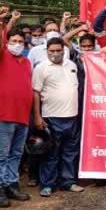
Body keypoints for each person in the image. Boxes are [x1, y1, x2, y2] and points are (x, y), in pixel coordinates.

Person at [0, 7, 34, 207]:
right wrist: (0, 21)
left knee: (16, 153)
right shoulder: (1, 57)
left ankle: (11, 184)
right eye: (13, 41)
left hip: (23, 115)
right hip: (5, 114)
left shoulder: (26, 62)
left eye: (20, 42)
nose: (17, 44)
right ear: (8, 43)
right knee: (2, 153)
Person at [33, 37, 84, 196]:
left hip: (72, 115)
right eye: (52, 51)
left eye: (58, 51)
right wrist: (37, 116)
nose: (55, 54)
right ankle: (48, 184)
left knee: (70, 152)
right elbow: (35, 93)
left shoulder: (72, 65)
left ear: (64, 50)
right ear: (46, 51)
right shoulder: (41, 68)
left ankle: (68, 182)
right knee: (51, 153)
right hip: (51, 117)